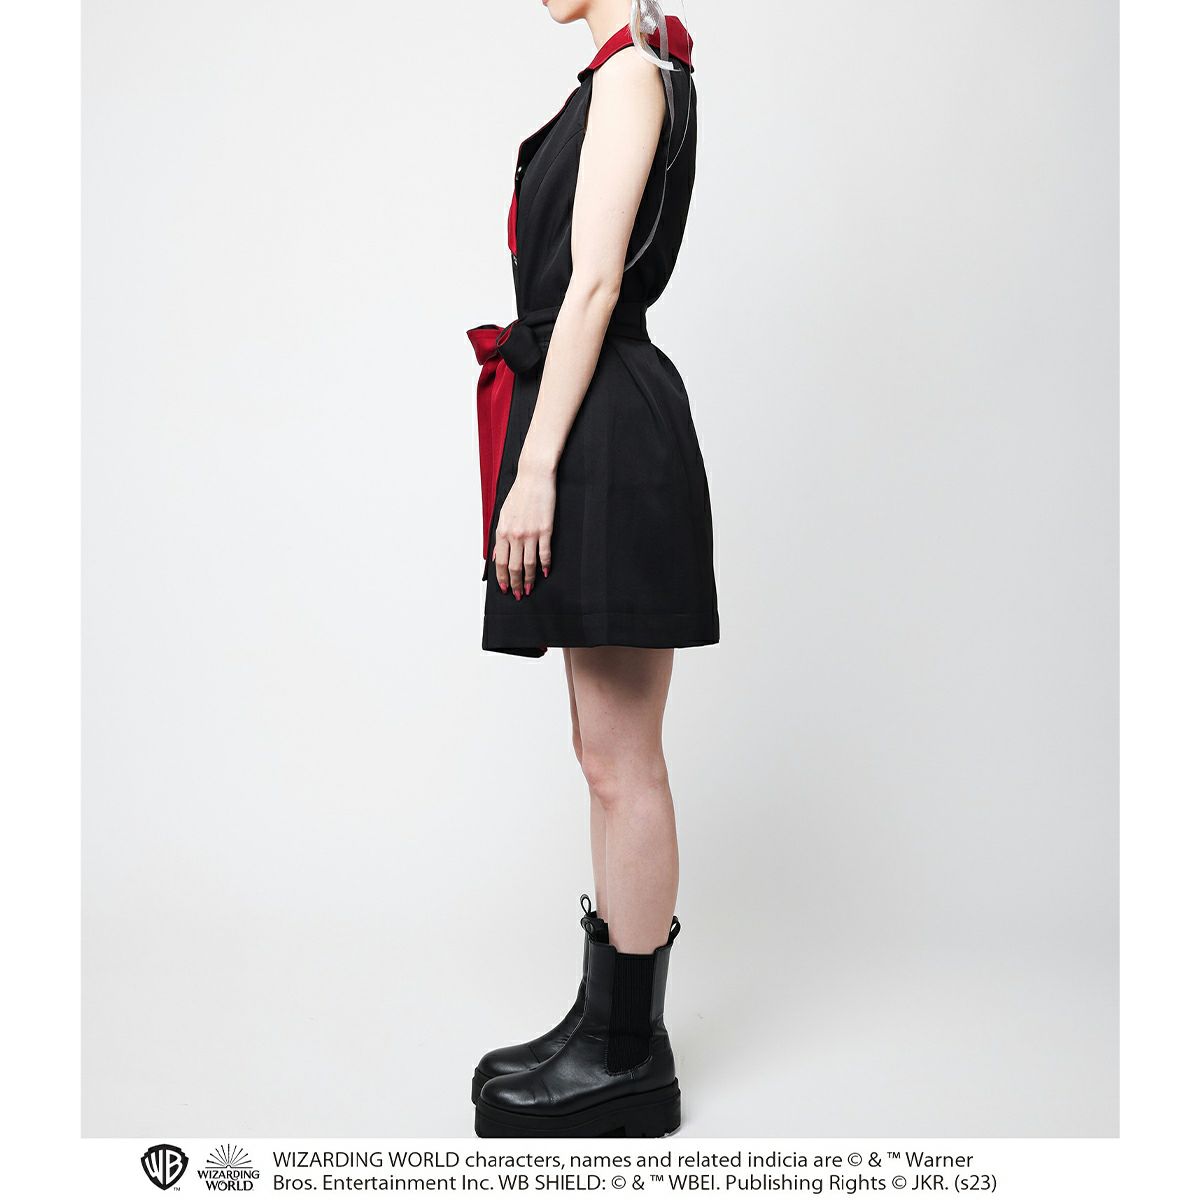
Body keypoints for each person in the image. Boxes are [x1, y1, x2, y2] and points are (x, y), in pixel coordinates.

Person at [467, 0, 717, 1138]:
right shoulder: (624, 71)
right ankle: (603, 1023)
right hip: (596, 421)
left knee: (624, 761)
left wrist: (535, 469)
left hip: (603, 433)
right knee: (602, 755)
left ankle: (628, 1059)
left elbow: (596, 285)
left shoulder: (632, 77)